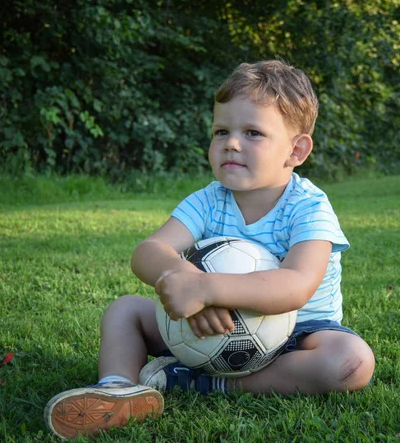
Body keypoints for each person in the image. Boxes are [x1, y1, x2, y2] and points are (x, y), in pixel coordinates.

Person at [44, 60, 375, 440]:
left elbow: (296, 285)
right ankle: (118, 389)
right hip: (203, 329)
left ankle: (203, 383)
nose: (231, 143)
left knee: (351, 362)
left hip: (295, 335)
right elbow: (148, 251)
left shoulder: (308, 207)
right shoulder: (208, 201)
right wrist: (184, 277)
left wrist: (209, 290)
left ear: (296, 150)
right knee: (124, 311)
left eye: (252, 132)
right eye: (221, 131)